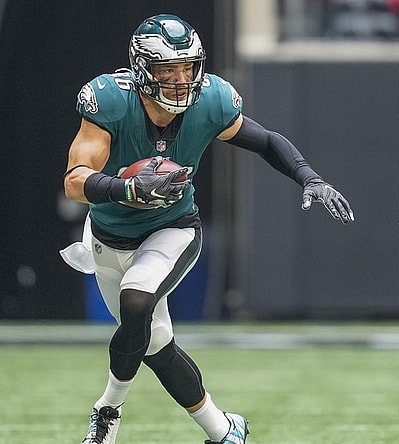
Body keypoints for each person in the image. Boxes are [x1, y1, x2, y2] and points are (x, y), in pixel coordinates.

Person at [60, 13, 354, 444]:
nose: (180, 79)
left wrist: (309, 176)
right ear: (142, 69)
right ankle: (225, 430)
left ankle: (107, 411)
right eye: (166, 69)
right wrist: (125, 188)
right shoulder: (111, 102)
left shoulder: (211, 101)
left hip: (172, 228)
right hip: (107, 238)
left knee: (137, 301)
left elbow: (267, 141)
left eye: (186, 68)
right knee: (156, 346)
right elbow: (74, 181)